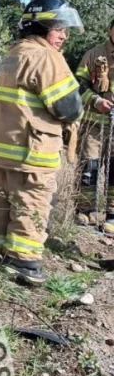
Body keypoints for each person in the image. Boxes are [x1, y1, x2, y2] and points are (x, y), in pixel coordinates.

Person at [0, 0, 84, 286]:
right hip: (30, 151)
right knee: (31, 204)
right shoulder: (46, 56)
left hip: (2, 150)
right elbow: (68, 107)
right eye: (59, 29)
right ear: (42, 26)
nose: (64, 36)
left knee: (2, 207)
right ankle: (24, 264)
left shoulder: (15, 53)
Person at [75, 17, 114, 235]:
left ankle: (112, 215)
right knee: (89, 167)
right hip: (94, 125)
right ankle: (84, 210)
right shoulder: (94, 55)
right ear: (110, 30)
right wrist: (96, 100)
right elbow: (78, 85)